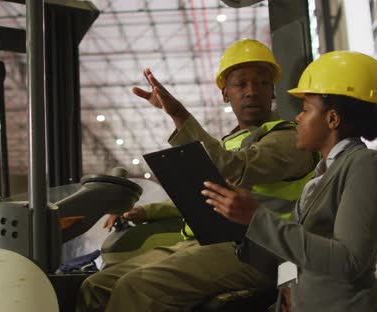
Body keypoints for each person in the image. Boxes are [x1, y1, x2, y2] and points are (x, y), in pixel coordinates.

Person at [76, 39, 317, 312]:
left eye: (261, 83)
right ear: (226, 94)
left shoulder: (289, 138)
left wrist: (179, 114)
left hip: (258, 251)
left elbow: (235, 169)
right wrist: (145, 212)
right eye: (241, 84)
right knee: (97, 284)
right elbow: (204, 196)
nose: (251, 91)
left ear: (272, 91)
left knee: (136, 286)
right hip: (207, 242)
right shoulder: (228, 143)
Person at [203, 51, 377, 312]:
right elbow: (293, 253)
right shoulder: (319, 176)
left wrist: (256, 217)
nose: (298, 118)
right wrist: (286, 288)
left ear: (332, 119)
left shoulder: (367, 166)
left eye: (306, 109)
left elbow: (349, 262)